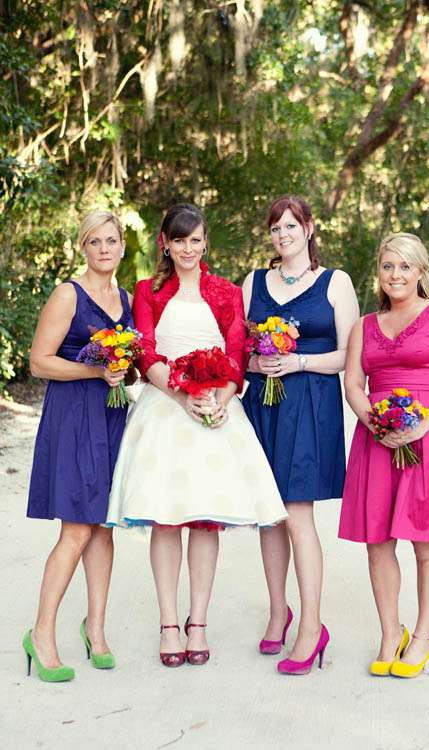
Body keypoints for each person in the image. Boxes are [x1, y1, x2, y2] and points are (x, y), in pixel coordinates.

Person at [106, 203, 287, 668]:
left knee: (207, 520)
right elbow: (146, 352)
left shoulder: (226, 292)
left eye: (195, 240)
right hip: (165, 407)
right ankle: (168, 623)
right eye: (179, 240)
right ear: (165, 243)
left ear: (205, 243)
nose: (188, 248)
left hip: (215, 409)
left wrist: (220, 400)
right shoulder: (147, 291)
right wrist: (182, 396)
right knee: (166, 518)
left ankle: (198, 622)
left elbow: (236, 353)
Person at [339, 232, 429, 678]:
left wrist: (421, 425)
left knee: (425, 541)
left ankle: (423, 635)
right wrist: (374, 424)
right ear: (379, 274)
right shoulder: (364, 325)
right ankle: (390, 633)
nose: (395, 274)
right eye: (388, 266)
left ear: (421, 271)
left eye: (405, 266)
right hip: (377, 440)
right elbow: (353, 384)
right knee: (378, 542)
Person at [242, 195, 359, 675]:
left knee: (297, 515)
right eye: (275, 229)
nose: (283, 235)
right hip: (263, 405)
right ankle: (278, 612)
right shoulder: (253, 282)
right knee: (269, 516)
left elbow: (350, 356)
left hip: (311, 405)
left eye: (291, 226)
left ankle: (312, 626)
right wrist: (259, 362)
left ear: (309, 228)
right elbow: (239, 353)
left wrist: (298, 361)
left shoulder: (335, 282)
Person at [24, 210, 133, 681]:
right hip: (73, 416)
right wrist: (96, 370)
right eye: (94, 241)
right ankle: (41, 634)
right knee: (76, 530)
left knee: (104, 527)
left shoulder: (126, 299)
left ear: (122, 246)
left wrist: (122, 370)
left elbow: (128, 363)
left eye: (111, 241)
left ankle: (97, 629)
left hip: (111, 415)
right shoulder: (68, 294)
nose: (103, 249)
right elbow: (39, 362)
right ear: (82, 247)